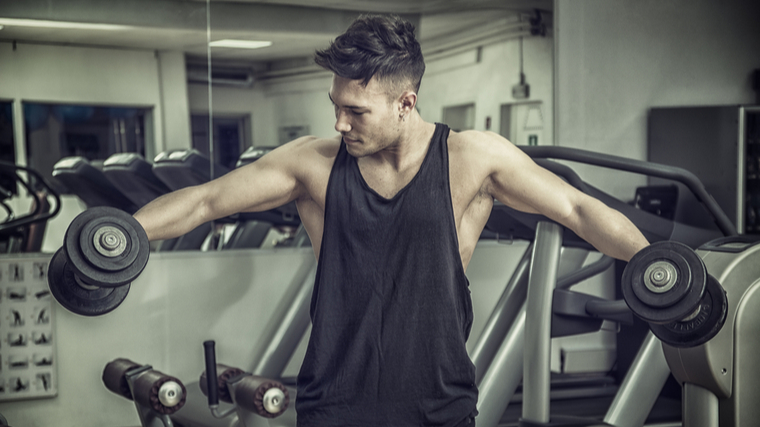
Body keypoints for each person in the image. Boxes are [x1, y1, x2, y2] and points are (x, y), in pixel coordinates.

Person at [134, 14, 649, 427]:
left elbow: (578, 208)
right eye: (335, 106)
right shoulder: (311, 164)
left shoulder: (472, 159)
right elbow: (205, 201)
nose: (339, 123)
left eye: (356, 112)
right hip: (332, 407)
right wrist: (122, 237)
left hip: (438, 409)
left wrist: (655, 268)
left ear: (406, 103)